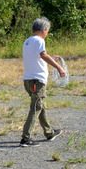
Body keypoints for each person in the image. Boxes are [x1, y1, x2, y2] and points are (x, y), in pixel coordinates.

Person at [20, 17, 66, 147]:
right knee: (36, 107)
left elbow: (37, 59)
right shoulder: (39, 40)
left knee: (40, 105)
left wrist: (52, 59)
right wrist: (59, 67)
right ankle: (25, 138)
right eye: (47, 31)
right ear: (44, 30)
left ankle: (49, 133)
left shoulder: (27, 41)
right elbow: (43, 55)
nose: (47, 33)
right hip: (37, 81)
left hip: (28, 80)